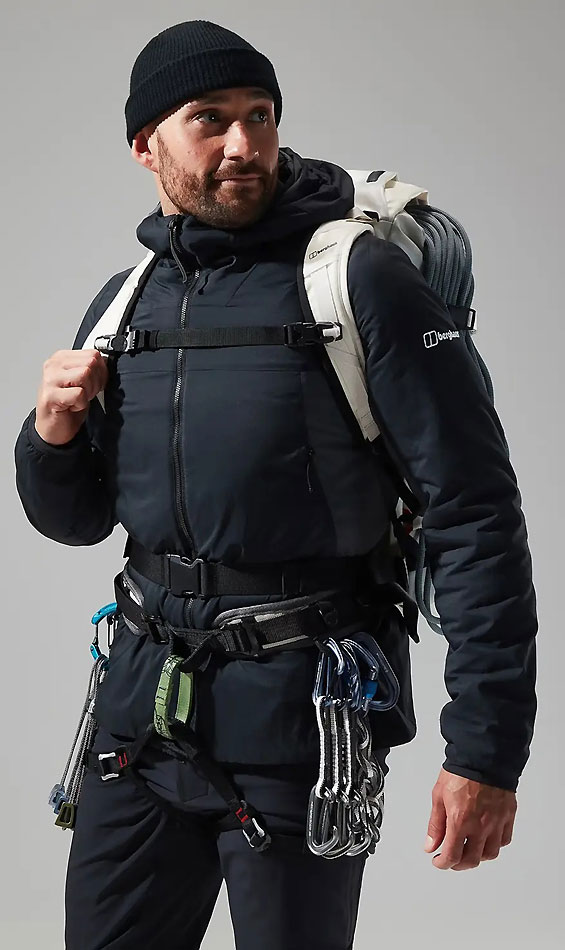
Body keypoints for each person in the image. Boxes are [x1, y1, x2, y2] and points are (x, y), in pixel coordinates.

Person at [14, 18, 538, 950]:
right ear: (145, 146)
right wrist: (50, 435)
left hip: (303, 731)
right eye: (209, 119)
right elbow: (78, 520)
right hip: (141, 721)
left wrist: (485, 755)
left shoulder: (358, 281)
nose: (243, 144)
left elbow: (475, 517)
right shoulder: (127, 301)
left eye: (259, 115)